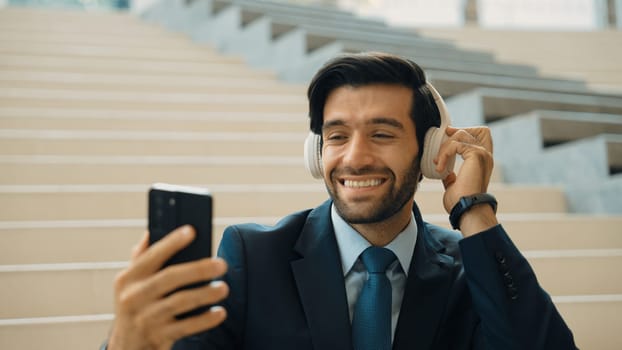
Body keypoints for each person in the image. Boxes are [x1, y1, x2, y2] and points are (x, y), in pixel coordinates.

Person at [105, 52, 577, 349]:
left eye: (381, 133)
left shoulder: (472, 270)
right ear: (316, 152)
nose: (355, 157)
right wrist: (128, 342)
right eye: (337, 135)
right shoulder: (254, 255)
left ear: (432, 151)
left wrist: (474, 208)